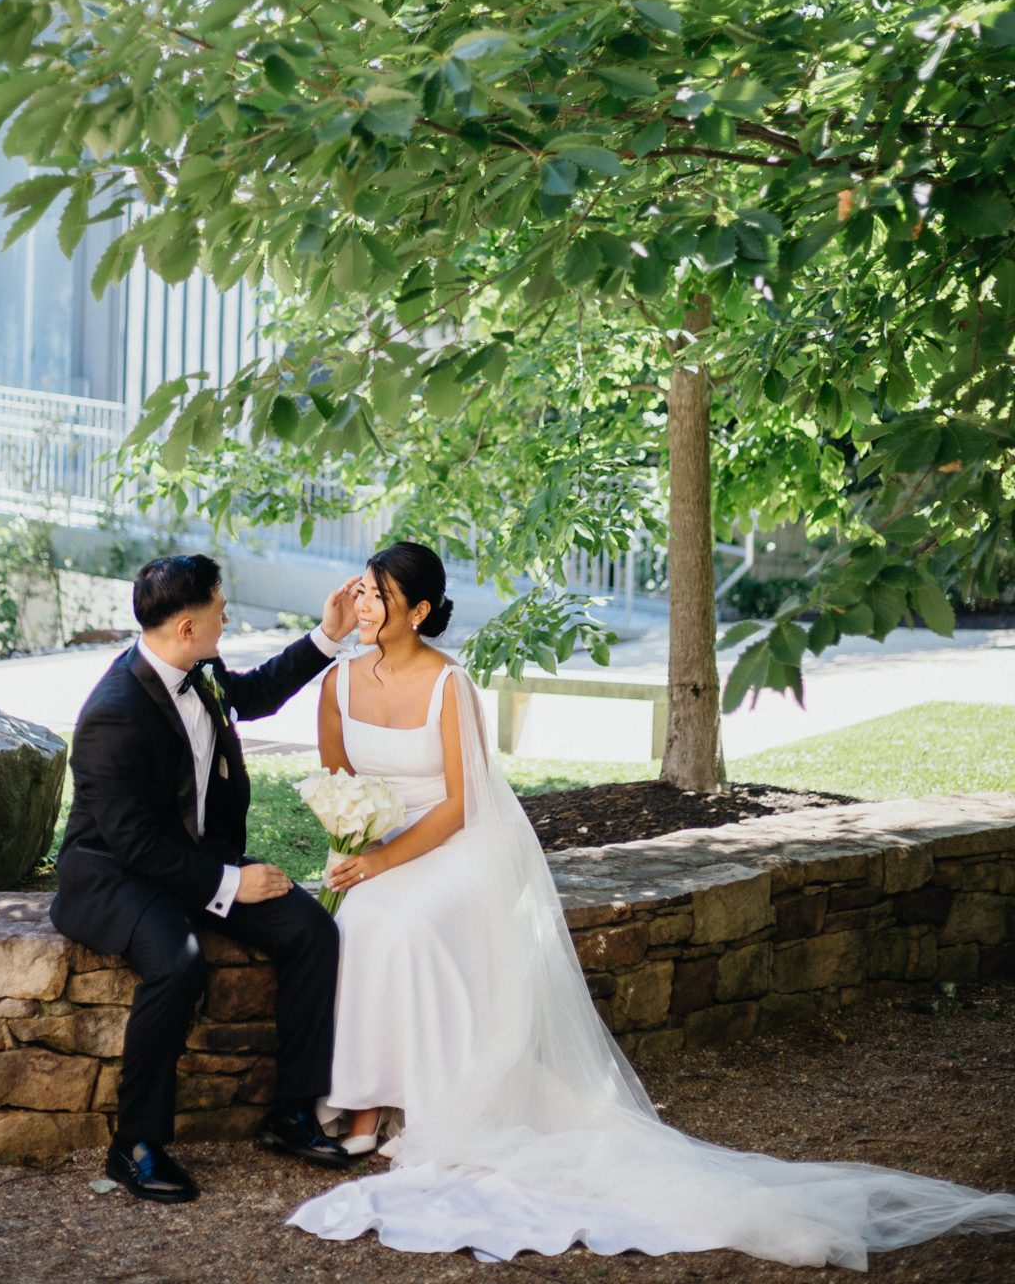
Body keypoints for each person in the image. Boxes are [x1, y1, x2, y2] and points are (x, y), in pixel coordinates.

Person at [290, 539, 1015, 1268]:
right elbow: (336, 780)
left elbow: (459, 803)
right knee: (367, 914)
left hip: (452, 847)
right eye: (361, 590)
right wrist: (354, 844)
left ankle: (410, 1100)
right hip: (378, 844)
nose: (363, 605)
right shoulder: (338, 684)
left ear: (416, 611)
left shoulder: (451, 686)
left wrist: (383, 859)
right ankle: (363, 1097)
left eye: (378, 596)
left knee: (402, 917)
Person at [52, 552, 359, 1205]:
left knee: (312, 930)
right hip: (118, 874)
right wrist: (229, 886)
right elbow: (131, 842)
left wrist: (328, 636)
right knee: (179, 964)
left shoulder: (202, 667)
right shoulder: (114, 711)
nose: (228, 616)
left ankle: (293, 1113)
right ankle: (136, 1144)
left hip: (192, 857)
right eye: (221, 609)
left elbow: (254, 694)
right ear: (186, 626)